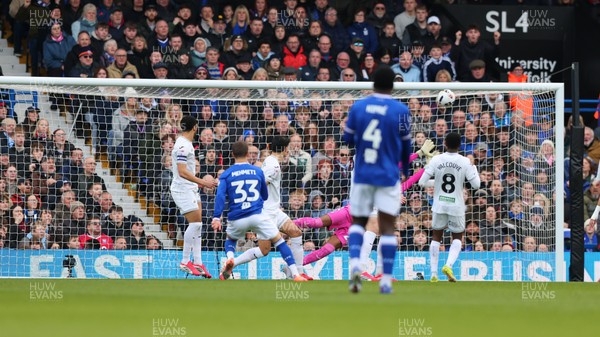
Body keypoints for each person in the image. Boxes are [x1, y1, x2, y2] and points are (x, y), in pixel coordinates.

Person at [344, 65, 412, 294]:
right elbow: (406, 146)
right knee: (387, 226)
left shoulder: (358, 107)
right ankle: (385, 279)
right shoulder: (400, 110)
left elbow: (348, 140)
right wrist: (406, 170)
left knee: (358, 223)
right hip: (388, 174)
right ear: (393, 86)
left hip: (363, 174)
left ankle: (355, 267)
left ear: (372, 84)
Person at [212, 141, 306, 282]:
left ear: (232, 154)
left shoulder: (227, 174)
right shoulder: (264, 168)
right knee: (269, 248)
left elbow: (220, 196)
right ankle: (295, 274)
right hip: (263, 212)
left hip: (259, 212)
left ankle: (297, 271)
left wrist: (216, 217)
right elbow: (263, 190)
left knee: (296, 232)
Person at [418, 132, 481, 282]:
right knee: (457, 237)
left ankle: (433, 274)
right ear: (460, 145)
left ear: (445, 143)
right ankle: (448, 265)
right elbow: (477, 185)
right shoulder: (465, 161)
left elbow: (421, 182)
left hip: (439, 204)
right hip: (456, 206)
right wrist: (474, 169)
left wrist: (437, 183)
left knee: (436, 237)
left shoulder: (436, 159)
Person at [171, 115, 218, 277]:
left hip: (190, 188)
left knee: (198, 224)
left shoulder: (186, 143)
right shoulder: (183, 146)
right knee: (195, 224)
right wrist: (203, 182)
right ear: (195, 127)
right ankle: (185, 261)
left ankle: (197, 262)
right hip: (182, 188)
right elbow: (182, 171)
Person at [261, 136, 311, 280]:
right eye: (287, 148)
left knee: (296, 232)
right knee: (263, 250)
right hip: (267, 213)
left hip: (275, 210)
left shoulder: (270, 161)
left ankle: (297, 272)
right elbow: (261, 184)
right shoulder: (274, 166)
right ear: (284, 149)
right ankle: (233, 261)